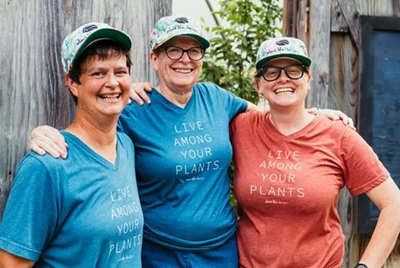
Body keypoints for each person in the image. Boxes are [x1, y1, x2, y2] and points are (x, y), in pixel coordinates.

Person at [27, 17, 352, 267]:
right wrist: (43, 133)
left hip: (221, 251)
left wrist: (313, 112)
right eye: (173, 49)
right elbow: (93, 130)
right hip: (159, 253)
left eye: (193, 49)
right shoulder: (133, 108)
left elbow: (271, 115)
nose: (185, 58)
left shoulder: (217, 98)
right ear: (155, 58)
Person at [230, 37, 400, 268]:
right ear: (259, 84)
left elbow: (394, 204)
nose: (283, 78)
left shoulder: (339, 136)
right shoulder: (240, 127)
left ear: (308, 79)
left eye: (294, 70)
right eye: (271, 71)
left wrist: (366, 266)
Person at [0, 23, 143, 267]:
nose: (112, 83)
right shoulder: (47, 166)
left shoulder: (125, 146)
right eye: (98, 73)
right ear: (72, 82)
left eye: (120, 72)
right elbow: (11, 263)